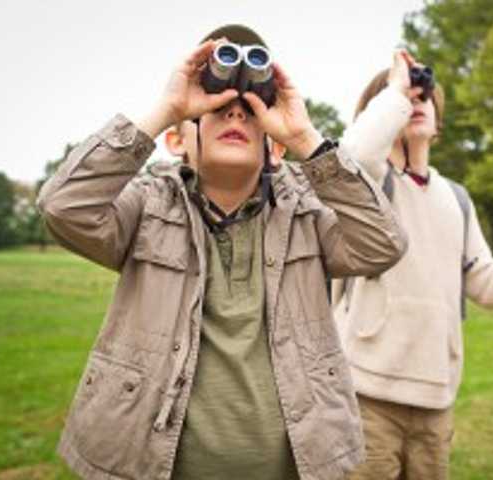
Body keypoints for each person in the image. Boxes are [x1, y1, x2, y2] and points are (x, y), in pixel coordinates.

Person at [37, 24, 408, 480]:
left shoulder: (305, 210)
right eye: (217, 108)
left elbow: (384, 244)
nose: (235, 115)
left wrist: (305, 137)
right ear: (177, 140)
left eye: (251, 110)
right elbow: (62, 206)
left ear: (274, 146)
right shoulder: (148, 204)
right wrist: (164, 110)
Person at [332, 51, 493, 480]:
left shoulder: (457, 199)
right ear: (382, 112)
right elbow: (350, 157)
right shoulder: (367, 184)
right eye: (405, 95)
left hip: (435, 400)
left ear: (439, 123)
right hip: (365, 397)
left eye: (424, 96)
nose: (416, 100)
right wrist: (395, 94)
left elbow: (487, 284)